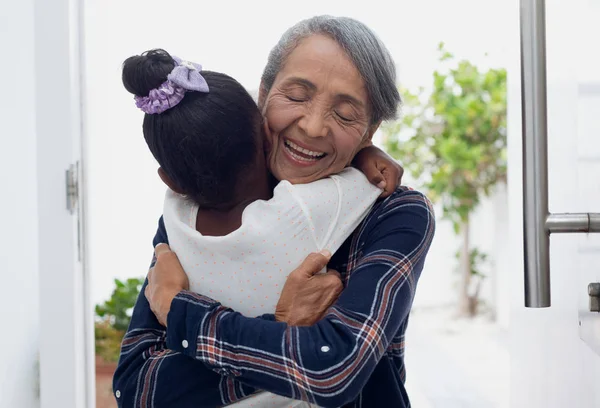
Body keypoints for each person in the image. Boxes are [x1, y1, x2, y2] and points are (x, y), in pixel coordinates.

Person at [114, 15, 435, 408]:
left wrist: (181, 313)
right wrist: (283, 330)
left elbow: (334, 370)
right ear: (262, 96)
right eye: (297, 96)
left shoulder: (394, 214)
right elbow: (135, 389)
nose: (314, 127)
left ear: (369, 131)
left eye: (346, 115)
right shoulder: (201, 205)